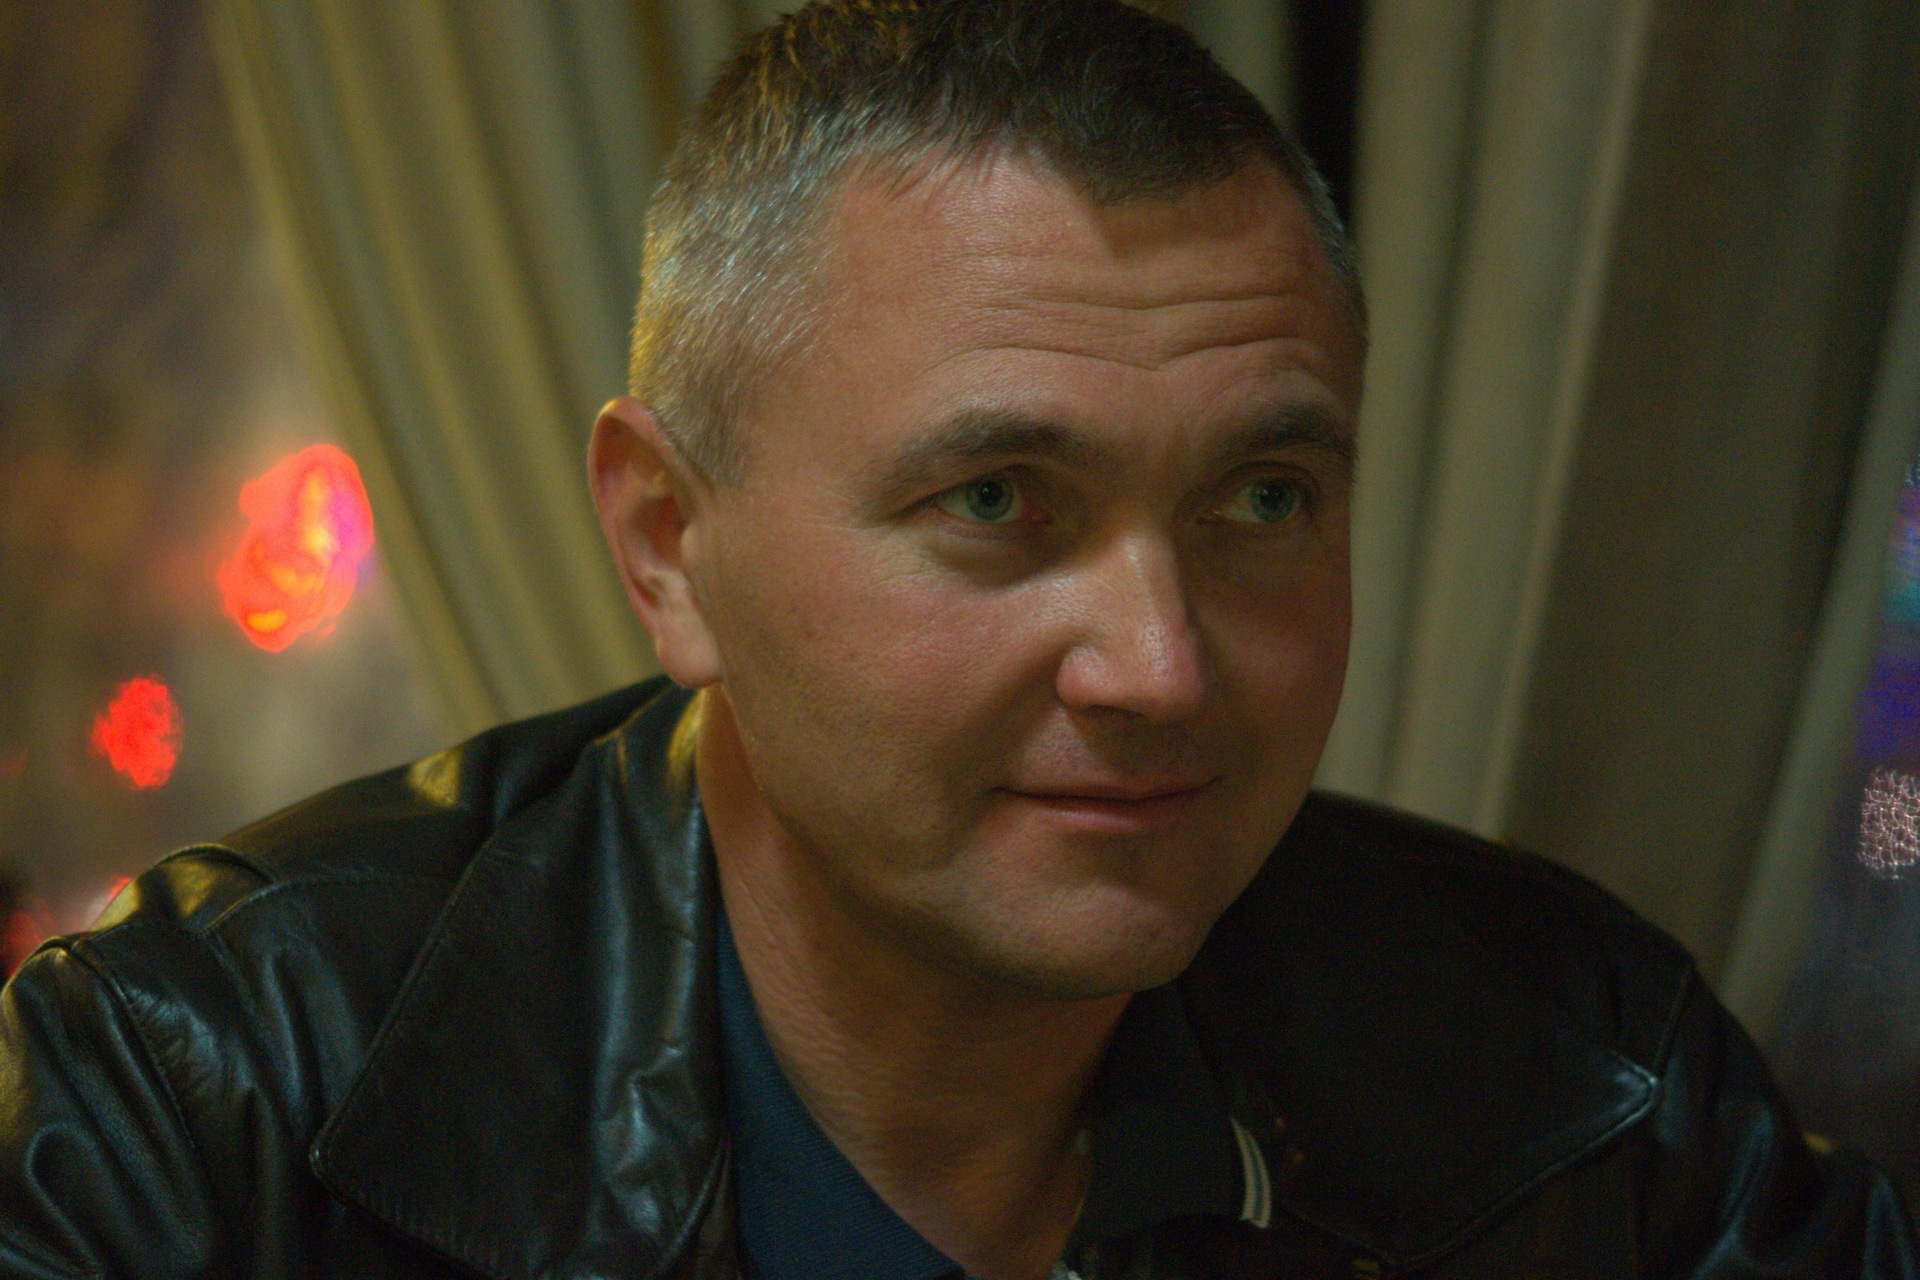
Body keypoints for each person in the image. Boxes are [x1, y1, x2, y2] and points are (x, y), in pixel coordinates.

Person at [1, 2, 1912, 1277]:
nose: (1162, 667)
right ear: (669, 545)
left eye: (1263, 501)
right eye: (997, 500)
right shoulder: (189, 1107)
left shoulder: (1586, 1095)